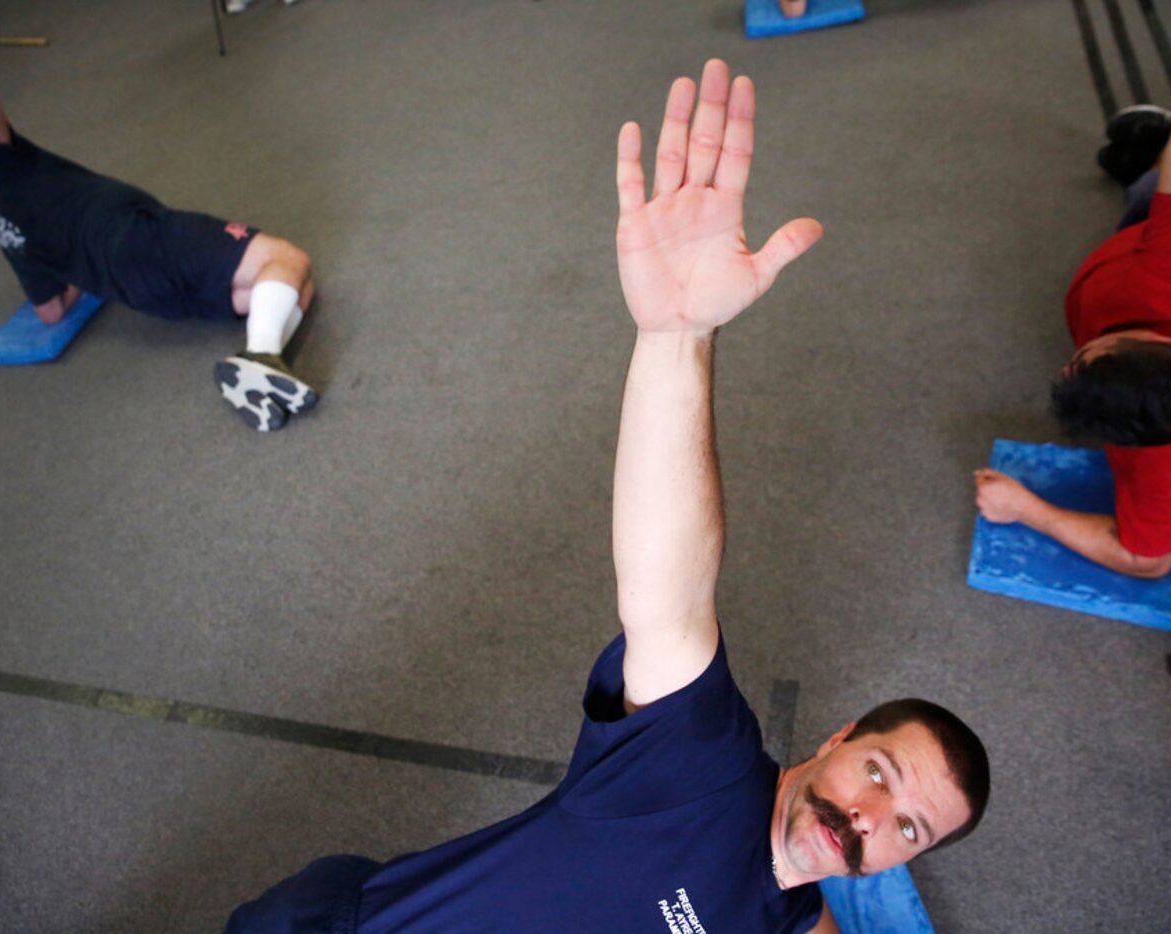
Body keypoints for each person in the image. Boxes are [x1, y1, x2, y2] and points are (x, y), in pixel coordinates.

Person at [225, 59, 989, 934]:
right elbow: (667, 599)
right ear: (837, 739)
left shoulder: (787, 917)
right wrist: (678, 337)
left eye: (905, 829)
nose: (863, 821)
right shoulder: (695, 769)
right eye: (878, 776)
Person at [974, 0, 1171, 578]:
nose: (1065, 367)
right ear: (1145, 337)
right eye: (1083, 361)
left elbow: (1149, 560)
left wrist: (1027, 510)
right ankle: (1150, 159)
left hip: (1160, 280)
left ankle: (1147, 166)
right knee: (1168, 174)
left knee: (1155, 201)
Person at [0, 0, 318, 432]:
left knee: (288, 291)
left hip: (137, 290)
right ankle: (260, 357)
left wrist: (76, 273)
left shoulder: (6, 230)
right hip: (143, 240)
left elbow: (50, 313)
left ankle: (263, 371)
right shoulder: (5, 167)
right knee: (285, 259)